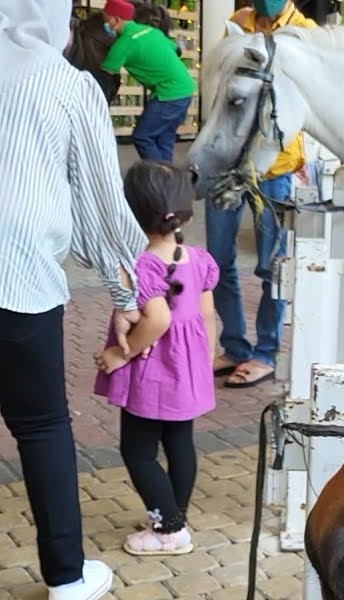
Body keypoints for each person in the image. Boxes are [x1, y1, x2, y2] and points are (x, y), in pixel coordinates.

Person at [0, 0, 147, 600]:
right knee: (41, 424)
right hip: (14, 281)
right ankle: (66, 578)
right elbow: (101, 205)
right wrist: (126, 295)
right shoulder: (67, 86)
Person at [95, 161, 218, 556]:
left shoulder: (143, 265)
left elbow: (158, 319)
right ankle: (173, 515)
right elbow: (207, 316)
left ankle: (168, 529)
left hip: (154, 374)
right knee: (180, 443)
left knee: (138, 451)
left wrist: (121, 353)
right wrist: (205, 360)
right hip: (187, 368)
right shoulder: (198, 259)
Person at [207, 0, 315, 389]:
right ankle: (235, 346)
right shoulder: (238, 24)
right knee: (217, 260)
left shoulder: (304, 32)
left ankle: (266, 352)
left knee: (271, 267)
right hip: (228, 162)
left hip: (275, 166)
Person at [99, 0, 196, 162]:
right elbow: (177, 49)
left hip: (168, 94)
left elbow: (105, 74)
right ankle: (166, 174)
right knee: (164, 138)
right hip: (186, 90)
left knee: (143, 136)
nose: (105, 25)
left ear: (116, 19)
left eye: (106, 20)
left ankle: (156, 172)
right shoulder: (151, 31)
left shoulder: (124, 43)